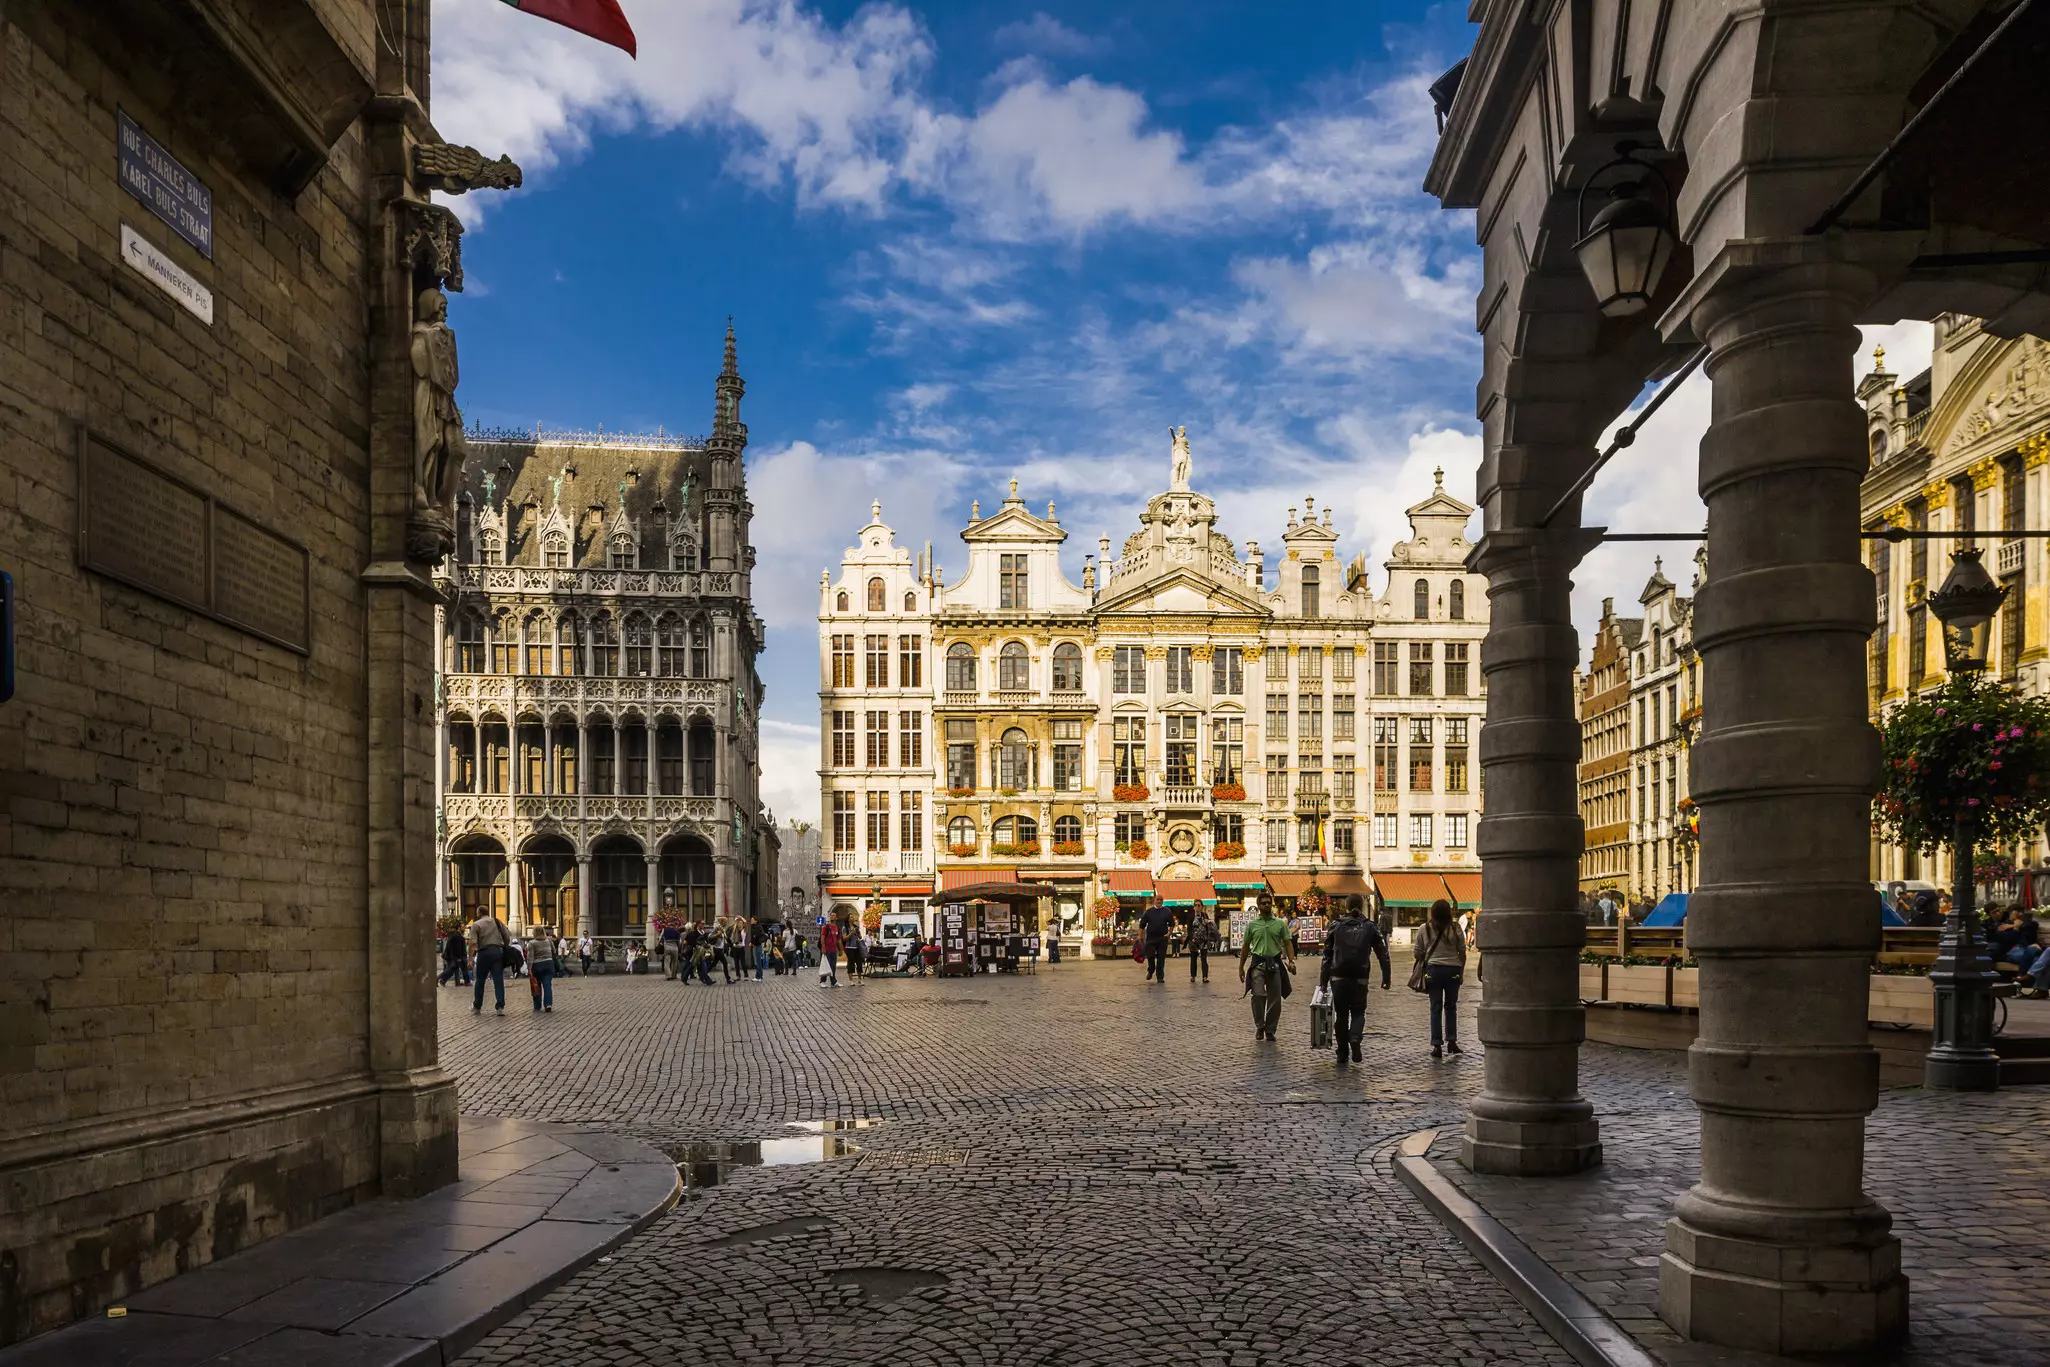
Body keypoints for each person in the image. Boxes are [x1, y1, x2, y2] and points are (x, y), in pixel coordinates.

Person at [1320, 894, 1391, 1066]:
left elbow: (1327, 955)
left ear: (1346, 906)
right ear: (1362, 905)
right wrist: (1386, 976)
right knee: (1358, 1012)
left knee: (1341, 1015)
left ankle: (1342, 1052)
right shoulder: (1370, 927)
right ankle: (1355, 1037)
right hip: (1360, 976)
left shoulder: (1335, 925)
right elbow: (1383, 954)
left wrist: (1323, 981)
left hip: (1338, 976)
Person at [1413, 899, 1468, 1060]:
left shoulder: (1424, 928)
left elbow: (1417, 953)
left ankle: (1437, 1045)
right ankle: (1452, 1042)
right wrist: (1461, 971)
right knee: (1451, 1007)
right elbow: (1462, 953)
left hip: (1433, 971)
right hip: (1453, 970)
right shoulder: (1456, 928)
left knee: (1435, 1007)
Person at [1237, 893, 1296, 1040]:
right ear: (1258, 906)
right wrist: (1241, 967)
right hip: (1258, 963)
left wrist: (1291, 961)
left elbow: (1288, 942)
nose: (1267, 905)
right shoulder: (1252, 925)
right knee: (1257, 995)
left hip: (1275, 964)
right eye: (1263, 903)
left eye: (1269, 903)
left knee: (1275, 999)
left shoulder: (1280, 924)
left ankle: (1270, 1030)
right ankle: (1260, 1026)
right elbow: (1245, 947)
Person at [467, 906, 512, 1015]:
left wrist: (470, 959)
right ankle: (500, 1006)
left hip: (484, 952)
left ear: (479, 913)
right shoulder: (497, 922)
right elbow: (507, 936)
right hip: (497, 952)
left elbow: (472, 943)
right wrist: (504, 947)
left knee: (480, 980)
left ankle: (477, 1006)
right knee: (498, 980)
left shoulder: (476, 925)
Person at [1137, 901, 1174, 983]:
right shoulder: (1149, 912)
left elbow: (1172, 923)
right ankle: (1151, 970)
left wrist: (1169, 933)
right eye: (1158, 899)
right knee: (1150, 956)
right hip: (1151, 938)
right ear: (1154, 900)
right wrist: (1140, 936)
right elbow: (1142, 925)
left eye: (1161, 899)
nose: (1159, 901)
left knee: (1161, 958)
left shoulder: (1167, 911)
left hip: (1162, 938)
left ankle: (1160, 977)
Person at [525, 928, 557, 1013]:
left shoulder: (532, 943)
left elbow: (530, 957)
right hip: (548, 964)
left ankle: (537, 1005)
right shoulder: (549, 941)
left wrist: (529, 969)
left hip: (537, 965)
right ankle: (548, 1004)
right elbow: (554, 952)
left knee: (536, 985)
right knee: (547, 985)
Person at [1187, 910, 1218, 983]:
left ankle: (1205, 977)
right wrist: (1191, 939)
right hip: (1194, 940)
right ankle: (1193, 976)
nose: (1197, 907)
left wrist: (1208, 922)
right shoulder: (1191, 916)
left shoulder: (1204, 915)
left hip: (1204, 940)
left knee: (1204, 959)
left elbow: (1209, 927)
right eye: (1196, 905)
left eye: (1199, 905)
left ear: (1201, 907)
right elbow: (1189, 929)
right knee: (1193, 959)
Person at [819, 919, 842, 987]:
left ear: (836, 917)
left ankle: (833, 982)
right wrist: (823, 948)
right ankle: (822, 981)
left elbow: (838, 939)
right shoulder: (825, 927)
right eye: (831, 915)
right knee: (826, 966)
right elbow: (822, 938)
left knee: (833, 966)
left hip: (834, 950)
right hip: (827, 950)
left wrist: (840, 949)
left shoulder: (837, 928)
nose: (832, 916)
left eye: (834, 915)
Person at [661, 913, 684, 981]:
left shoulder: (664, 930)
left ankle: (668, 975)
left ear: (668, 924)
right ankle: (674, 975)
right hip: (675, 948)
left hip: (667, 947)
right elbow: (679, 942)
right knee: (674, 962)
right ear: (674, 925)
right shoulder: (677, 932)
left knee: (667, 962)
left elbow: (661, 939)